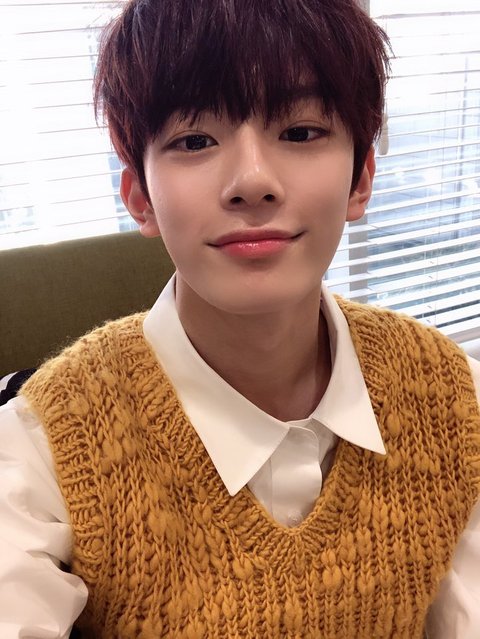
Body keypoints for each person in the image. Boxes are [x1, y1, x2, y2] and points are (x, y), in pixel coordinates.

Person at [0, 0, 479, 637]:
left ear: (361, 179)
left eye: (301, 132)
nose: (252, 181)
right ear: (141, 199)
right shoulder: (46, 442)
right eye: (194, 140)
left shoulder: (452, 396)